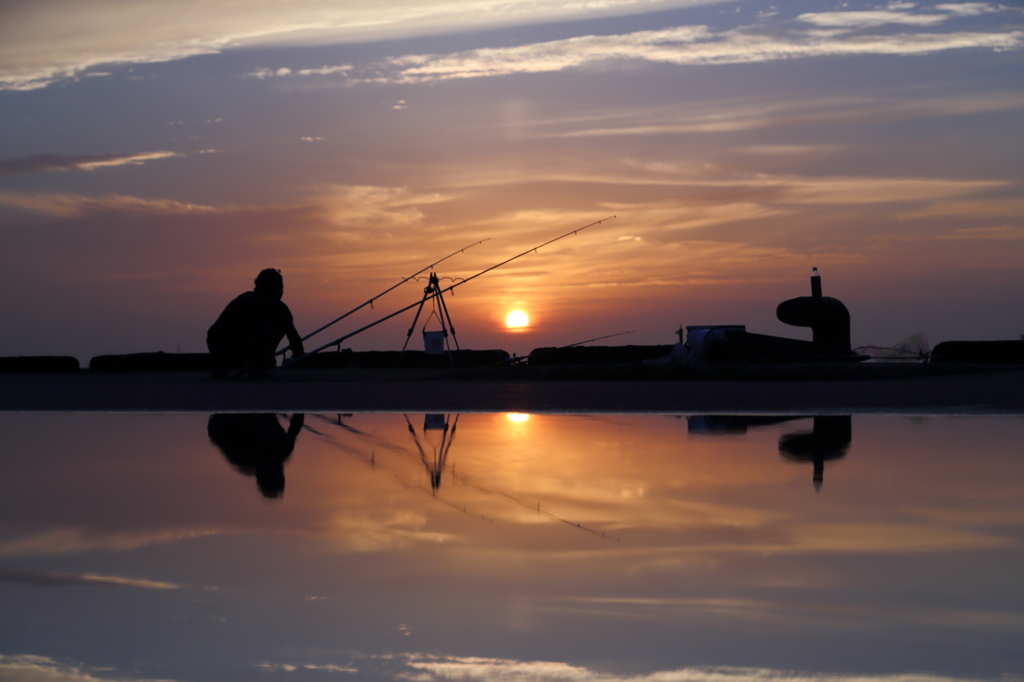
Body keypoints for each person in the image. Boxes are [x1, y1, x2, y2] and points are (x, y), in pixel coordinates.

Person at [207, 268, 304, 378]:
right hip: (244, 348)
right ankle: (260, 362)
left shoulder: (242, 298)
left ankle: (222, 366)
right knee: (279, 324)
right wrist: (299, 356)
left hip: (218, 347)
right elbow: (293, 337)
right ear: (277, 288)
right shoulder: (278, 306)